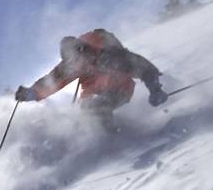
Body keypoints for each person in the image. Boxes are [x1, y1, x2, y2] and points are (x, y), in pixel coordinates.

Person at [15, 29, 167, 124]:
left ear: (83, 48)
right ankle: (96, 138)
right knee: (87, 110)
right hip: (94, 93)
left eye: (78, 55)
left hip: (120, 89)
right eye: (71, 59)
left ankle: (112, 141)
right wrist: (32, 92)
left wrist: (155, 90)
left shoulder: (112, 56)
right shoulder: (72, 66)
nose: (77, 62)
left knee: (97, 107)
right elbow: (52, 81)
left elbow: (144, 68)